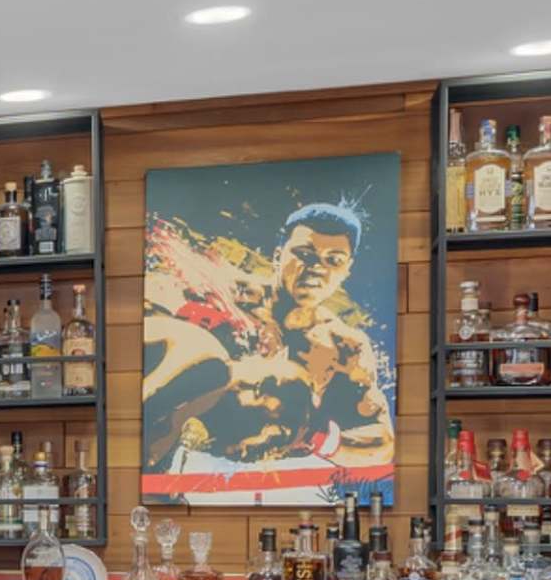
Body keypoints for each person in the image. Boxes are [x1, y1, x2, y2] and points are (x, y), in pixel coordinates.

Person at [141, 199, 396, 484]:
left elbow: (382, 442)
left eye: (333, 260)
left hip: (265, 484)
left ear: (346, 271)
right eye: (305, 254)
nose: (318, 268)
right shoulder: (219, 291)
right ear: (278, 255)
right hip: (171, 455)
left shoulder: (344, 345)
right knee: (203, 351)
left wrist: (311, 436)